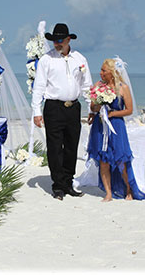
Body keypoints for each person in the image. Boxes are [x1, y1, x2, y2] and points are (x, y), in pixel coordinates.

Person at [32, 23, 93, 200]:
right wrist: (36, 110)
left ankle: (68, 182)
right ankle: (58, 185)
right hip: (53, 107)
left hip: (73, 107)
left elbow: (87, 85)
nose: (57, 44)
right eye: (54, 41)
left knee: (71, 146)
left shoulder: (80, 58)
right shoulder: (46, 60)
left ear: (68, 40)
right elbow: (39, 86)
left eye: (60, 40)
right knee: (55, 147)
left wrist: (91, 108)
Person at [87, 58, 145, 202]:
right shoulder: (98, 86)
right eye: (100, 70)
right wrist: (98, 106)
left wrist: (112, 114)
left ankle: (129, 190)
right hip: (101, 125)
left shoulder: (123, 87)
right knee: (103, 160)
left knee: (121, 159)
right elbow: (92, 107)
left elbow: (129, 110)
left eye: (103, 70)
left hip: (116, 126)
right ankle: (108, 192)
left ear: (112, 72)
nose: (100, 73)